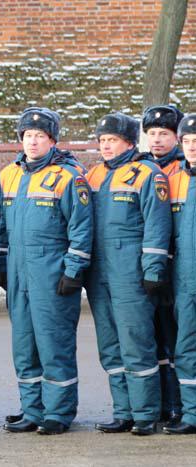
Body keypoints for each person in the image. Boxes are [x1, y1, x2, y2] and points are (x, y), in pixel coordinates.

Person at [0, 107, 93, 435]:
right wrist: (1, 267)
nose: (32, 142)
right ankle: (32, 409)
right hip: (19, 274)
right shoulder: (8, 175)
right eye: (27, 136)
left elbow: (81, 227)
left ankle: (59, 412)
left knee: (54, 343)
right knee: (24, 344)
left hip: (53, 274)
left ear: (52, 139)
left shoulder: (68, 175)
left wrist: (74, 270)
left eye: (39, 136)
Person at [86, 112, 171, 436]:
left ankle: (146, 414)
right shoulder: (92, 175)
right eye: (103, 141)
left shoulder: (147, 174)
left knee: (137, 343)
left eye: (113, 140)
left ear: (129, 142)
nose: (106, 146)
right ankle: (122, 411)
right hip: (99, 275)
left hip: (131, 273)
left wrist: (152, 269)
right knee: (110, 345)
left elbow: (157, 225)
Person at [143, 104, 184, 424]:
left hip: (179, 265)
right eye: (151, 134)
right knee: (152, 335)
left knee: (177, 336)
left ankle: (178, 403)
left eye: (164, 134)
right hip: (148, 266)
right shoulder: (141, 169)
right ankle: (157, 402)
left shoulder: (183, 169)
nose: (157, 140)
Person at [164, 114, 196, 434]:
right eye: (186, 141)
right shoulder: (174, 181)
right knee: (185, 348)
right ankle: (192, 414)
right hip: (185, 281)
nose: (191, 147)